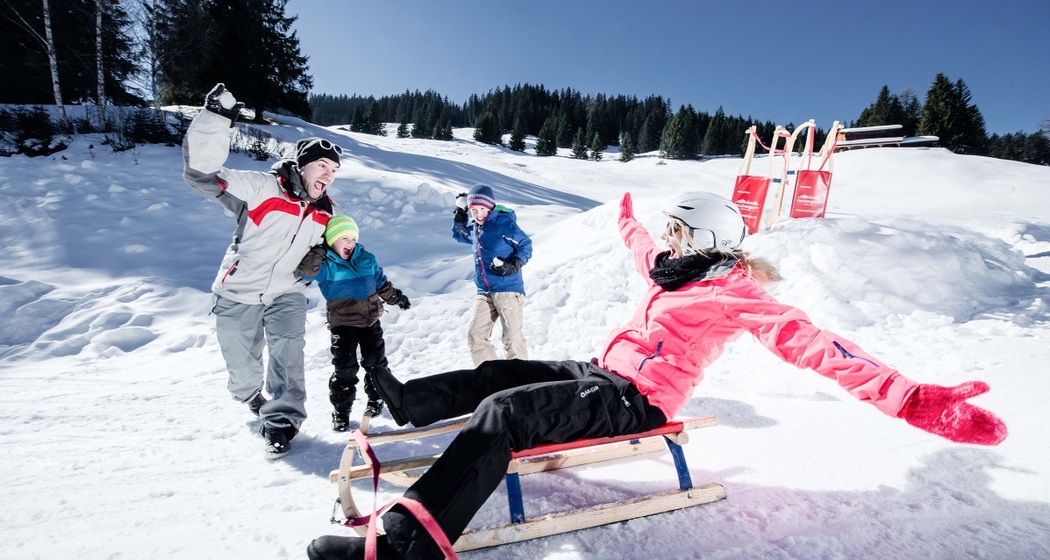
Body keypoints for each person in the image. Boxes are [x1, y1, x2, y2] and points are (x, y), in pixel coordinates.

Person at [307, 191, 1008, 560]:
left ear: (704, 239)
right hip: (601, 372)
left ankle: (405, 547)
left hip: (636, 400)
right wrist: (627, 219)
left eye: (679, 231)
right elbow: (641, 247)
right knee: (499, 371)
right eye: (669, 231)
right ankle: (404, 402)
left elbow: (815, 344)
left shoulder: (735, 293)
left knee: (506, 415)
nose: (666, 240)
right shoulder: (674, 271)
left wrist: (910, 397)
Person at [182, 82, 342, 459]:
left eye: (334, 170)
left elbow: (333, 246)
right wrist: (216, 120)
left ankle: (282, 420)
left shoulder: (326, 211)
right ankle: (251, 396)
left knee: (289, 350)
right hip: (239, 290)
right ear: (302, 164)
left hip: (287, 291)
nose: (329, 175)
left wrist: (319, 256)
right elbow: (202, 175)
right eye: (322, 166)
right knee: (243, 366)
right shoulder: (260, 188)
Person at [297, 215, 412, 432]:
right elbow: (305, 270)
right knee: (345, 369)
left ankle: (376, 399)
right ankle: (341, 411)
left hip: (370, 322)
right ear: (331, 240)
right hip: (343, 325)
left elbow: (380, 282)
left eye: (353, 238)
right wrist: (320, 250)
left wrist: (396, 297)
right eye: (343, 238)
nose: (349, 243)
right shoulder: (326, 265)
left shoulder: (366, 258)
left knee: (376, 364)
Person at [451, 184, 533, 366]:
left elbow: (525, 244)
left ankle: (520, 381)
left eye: (482, 209)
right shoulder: (476, 229)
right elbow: (459, 235)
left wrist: (513, 264)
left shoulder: (504, 224)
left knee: (512, 339)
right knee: (475, 336)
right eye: (474, 210)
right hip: (484, 292)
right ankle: (491, 377)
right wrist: (460, 215)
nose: (478, 214)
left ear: (490, 207)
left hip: (508, 290)